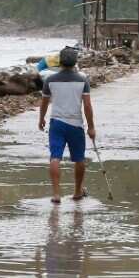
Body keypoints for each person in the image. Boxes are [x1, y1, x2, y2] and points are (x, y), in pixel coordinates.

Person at [38, 46, 96, 204]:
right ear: (75, 62)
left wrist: (41, 118)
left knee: (55, 157)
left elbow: (44, 102)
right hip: (76, 124)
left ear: (60, 62)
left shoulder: (50, 80)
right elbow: (87, 106)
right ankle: (77, 192)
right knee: (79, 159)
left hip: (56, 123)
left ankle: (56, 194)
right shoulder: (82, 79)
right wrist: (91, 127)